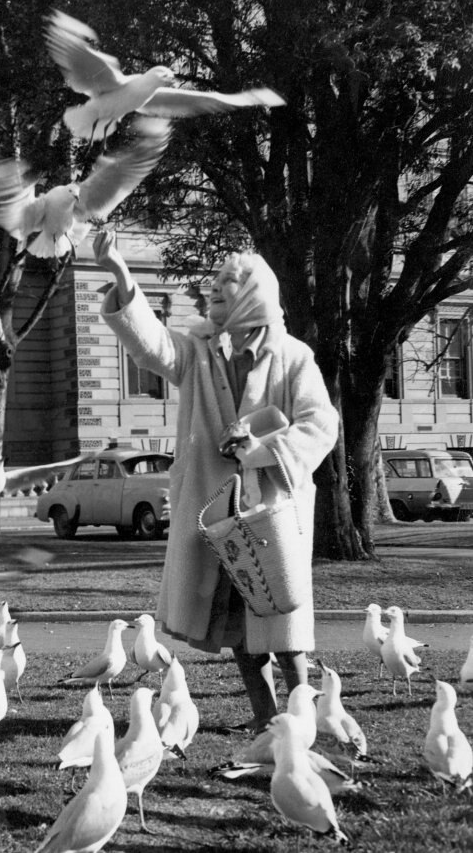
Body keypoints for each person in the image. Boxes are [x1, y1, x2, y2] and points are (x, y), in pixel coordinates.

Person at [94, 230, 338, 732]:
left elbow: (321, 426)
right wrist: (120, 273)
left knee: (282, 624)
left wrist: (262, 450)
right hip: (216, 514)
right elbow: (152, 347)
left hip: (271, 512)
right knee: (235, 625)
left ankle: (307, 718)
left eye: (222, 293)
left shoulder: (293, 358)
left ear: (250, 298)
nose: (212, 299)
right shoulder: (201, 354)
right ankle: (266, 719)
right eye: (213, 293)